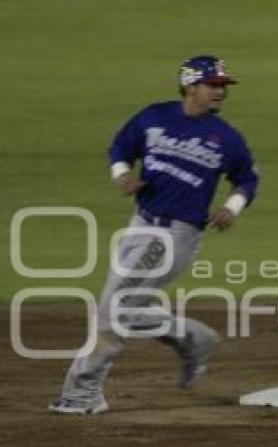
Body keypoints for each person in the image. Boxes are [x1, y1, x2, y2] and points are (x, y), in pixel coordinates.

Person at [49, 55, 260, 415]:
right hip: (140, 225)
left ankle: (83, 393)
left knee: (115, 308)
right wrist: (121, 174)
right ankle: (193, 338)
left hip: (176, 236)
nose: (220, 92)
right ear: (190, 86)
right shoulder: (153, 117)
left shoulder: (225, 138)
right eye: (213, 85)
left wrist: (233, 207)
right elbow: (121, 147)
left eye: (223, 86)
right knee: (118, 306)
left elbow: (247, 178)